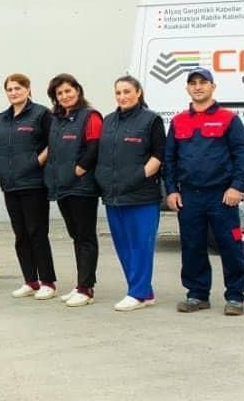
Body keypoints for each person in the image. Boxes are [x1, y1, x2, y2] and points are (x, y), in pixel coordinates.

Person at [164, 67, 244, 316]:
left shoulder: (229, 119)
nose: (198, 87)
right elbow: (169, 159)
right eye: (193, 83)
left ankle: (235, 296)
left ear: (213, 87)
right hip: (189, 196)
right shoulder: (179, 121)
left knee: (230, 246)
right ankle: (197, 294)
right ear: (187, 88)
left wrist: (236, 187)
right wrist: (171, 190)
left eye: (203, 82)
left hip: (222, 196)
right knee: (192, 246)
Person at [97, 75, 166, 312]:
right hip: (114, 195)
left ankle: (136, 293)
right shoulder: (108, 120)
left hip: (142, 196)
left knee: (141, 246)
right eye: (118, 92)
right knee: (123, 246)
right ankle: (144, 292)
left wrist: (139, 176)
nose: (122, 96)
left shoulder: (151, 120)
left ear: (138, 92)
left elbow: (159, 155)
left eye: (127, 91)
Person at [43, 74, 104, 308]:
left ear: (78, 90)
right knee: (76, 236)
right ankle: (81, 284)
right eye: (59, 93)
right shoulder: (58, 119)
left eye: (68, 91)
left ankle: (86, 288)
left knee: (85, 237)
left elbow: (95, 146)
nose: (65, 96)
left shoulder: (90, 116)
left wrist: (80, 169)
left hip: (82, 187)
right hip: (63, 186)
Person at [0, 73, 56, 299]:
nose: (13, 92)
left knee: (37, 232)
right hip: (10, 185)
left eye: (18, 88)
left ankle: (47, 281)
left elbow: (53, 141)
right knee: (20, 235)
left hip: (33, 183)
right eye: (9, 89)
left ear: (28, 89)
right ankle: (31, 281)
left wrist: (37, 161)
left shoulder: (41, 114)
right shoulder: (2, 118)